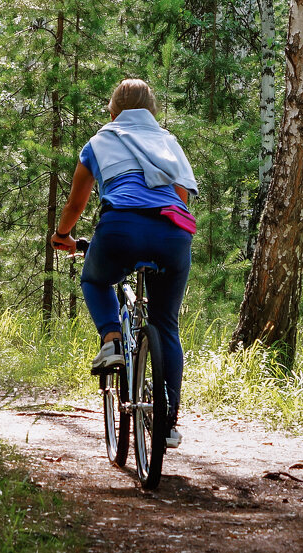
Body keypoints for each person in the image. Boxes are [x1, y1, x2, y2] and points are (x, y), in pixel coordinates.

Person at [51, 78, 198, 449]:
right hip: (174, 233)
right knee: (166, 324)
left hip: (121, 228)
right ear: (153, 111)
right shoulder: (168, 142)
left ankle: (113, 339)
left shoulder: (98, 143)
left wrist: (63, 235)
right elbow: (180, 197)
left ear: (113, 111)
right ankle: (168, 420)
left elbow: (76, 204)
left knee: (95, 281)